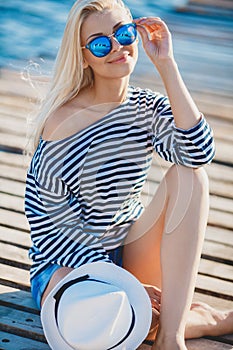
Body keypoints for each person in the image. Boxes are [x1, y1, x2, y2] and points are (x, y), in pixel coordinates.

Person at [24, 0, 233, 349]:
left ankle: (170, 335)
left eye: (123, 33)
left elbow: (198, 153)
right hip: (70, 265)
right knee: (105, 328)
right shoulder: (62, 124)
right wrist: (123, 285)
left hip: (130, 248)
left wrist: (167, 65)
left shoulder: (146, 108)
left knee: (190, 177)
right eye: (101, 43)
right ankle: (201, 319)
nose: (118, 47)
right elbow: (51, 231)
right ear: (84, 56)